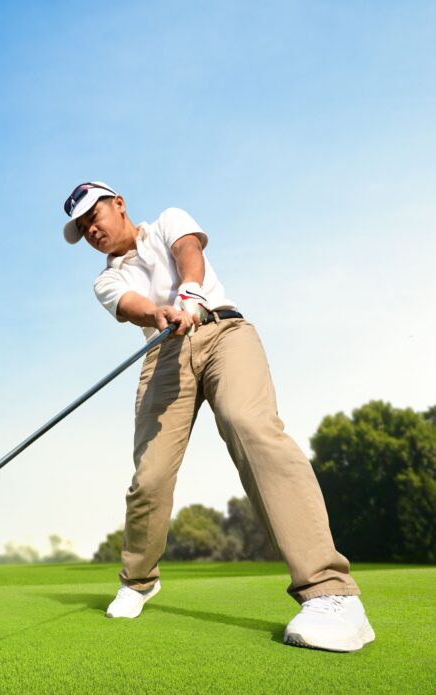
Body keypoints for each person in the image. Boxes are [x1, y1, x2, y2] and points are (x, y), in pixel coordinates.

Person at [61, 181, 374, 652]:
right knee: (150, 477)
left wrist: (189, 290)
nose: (90, 230)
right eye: (82, 227)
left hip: (224, 331)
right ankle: (139, 580)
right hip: (163, 355)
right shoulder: (105, 280)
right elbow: (131, 306)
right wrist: (161, 312)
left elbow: (189, 250)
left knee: (249, 425)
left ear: (119, 204)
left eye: (93, 216)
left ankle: (331, 592)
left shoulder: (168, 220)